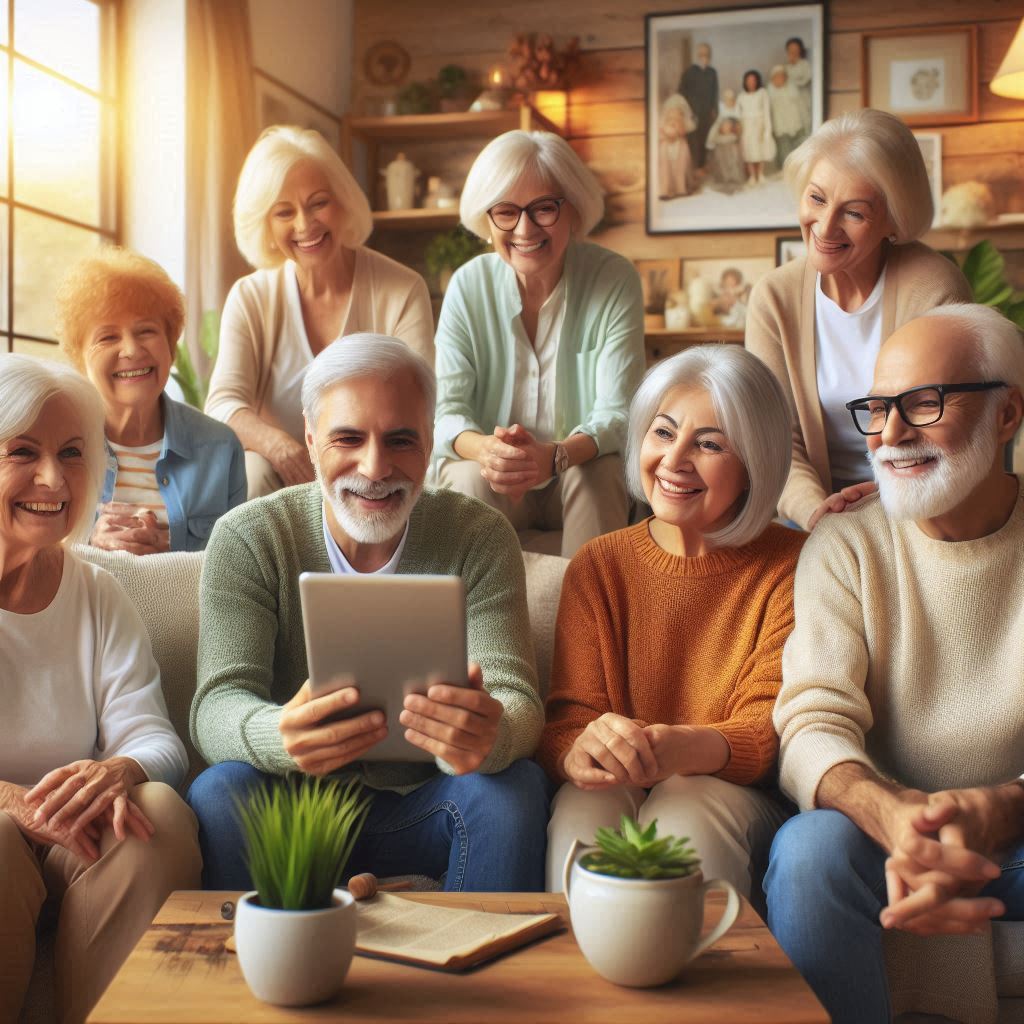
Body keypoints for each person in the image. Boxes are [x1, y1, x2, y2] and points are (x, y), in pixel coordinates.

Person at [188, 335, 548, 892]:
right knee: (218, 791)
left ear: (430, 444)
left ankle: (479, 977)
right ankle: (265, 970)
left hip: (426, 805)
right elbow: (217, 704)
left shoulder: (479, 536)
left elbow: (516, 698)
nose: (375, 467)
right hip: (297, 800)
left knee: (513, 789)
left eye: (400, 439)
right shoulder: (250, 537)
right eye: (347, 438)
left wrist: (487, 736)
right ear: (311, 442)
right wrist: (278, 735)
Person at [765, 305, 1024, 1024]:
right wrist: (892, 812)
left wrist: (1003, 807)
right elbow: (811, 718)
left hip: (1019, 836)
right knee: (810, 850)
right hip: (880, 837)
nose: (890, 435)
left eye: (923, 404)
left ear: (1007, 415)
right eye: (876, 408)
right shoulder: (846, 545)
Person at [539, 345, 805, 901]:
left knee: (686, 809)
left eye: (708, 444)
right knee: (585, 808)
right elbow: (567, 720)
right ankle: (579, 986)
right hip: (621, 781)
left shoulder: (795, 563)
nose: (674, 459)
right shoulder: (601, 564)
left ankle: (702, 987)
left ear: (754, 462)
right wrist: (580, 746)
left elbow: (767, 729)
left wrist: (682, 747)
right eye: (663, 433)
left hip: (732, 788)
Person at [0, 354, 200, 1024]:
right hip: (8, 835)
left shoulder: (97, 592)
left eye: (72, 453)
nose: (53, 479)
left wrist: (117, 769)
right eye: (23, 452)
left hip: (75, 847)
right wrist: (19, 803)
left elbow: (153, 736)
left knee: (159, 816)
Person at [746, 108, 971, 529]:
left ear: (893, 221)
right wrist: (818, 511)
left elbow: (943, 429)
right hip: (809, 513)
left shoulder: (935, 288)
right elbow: (772, 440)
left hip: (919, 504)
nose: (825, 227)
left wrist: (880, 513)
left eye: (854, 212)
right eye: (816, 198)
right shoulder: (773, 299)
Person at [434, 130, 645, 558]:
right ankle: (478, 619)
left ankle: (588, 619)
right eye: (506, 212)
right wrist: (489, 451)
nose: (525, 229)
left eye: (544, 208)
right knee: (468, 478)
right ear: (487, 218)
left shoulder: (614, 278)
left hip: (577, 468)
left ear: (573, 209)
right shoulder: (467, 286)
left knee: (598, 471)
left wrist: (556, 456)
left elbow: (621, 412)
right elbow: (445, 412)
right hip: (495, 478)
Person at [205, 126, 434, 498]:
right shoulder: (251, 296)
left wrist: (355, 456)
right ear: (265, 223)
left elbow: (422, 400)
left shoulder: (402, 288)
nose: (304, 225)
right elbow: (222, 403)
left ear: (343, 202)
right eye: (283, 212)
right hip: (283, 477)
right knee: (252, 467)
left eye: (318, 203)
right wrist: (280, 446)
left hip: (375, 468)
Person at [55, 247, 245, 554]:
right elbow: (29, 557)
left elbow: (236, 567)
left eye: (146, 331)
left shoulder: (221, 447)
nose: (130, 350)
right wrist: (88, 543)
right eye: (108, 337)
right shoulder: (56, 446)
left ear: (170, 346)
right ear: (80, 358)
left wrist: (170, 549)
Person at [678, 42, 718, 171]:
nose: (704, 57)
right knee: (693, 140)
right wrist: (686, 111)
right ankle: (693, 167)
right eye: (701, 54)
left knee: (705, 139)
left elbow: (714, 92)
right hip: (692, 112)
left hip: (706, 112)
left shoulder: (712, 72)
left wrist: (714, 109)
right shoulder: (690, 72)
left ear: (709, 55)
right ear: (697, 55)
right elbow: (681, 92)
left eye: (706, 54)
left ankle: (702, 166)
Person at [737, 70, 775, 187]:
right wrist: (739, 128)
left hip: (759, 124)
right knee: (748, 150)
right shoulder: (741, 96)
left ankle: (760, 174)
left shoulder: (762, 93)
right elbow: (738, 113)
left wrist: (767, 129)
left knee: (760, 149)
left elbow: (766, 112)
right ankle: (752, 176)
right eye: (748, 81)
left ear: (757, 81)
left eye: (753, 80)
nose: (751, 83)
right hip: (746, 125)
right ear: (745, 82)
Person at [657, 95, 696, 199]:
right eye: (671, 114)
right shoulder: (663, 123)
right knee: (665, 166)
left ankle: (680, 188)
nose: (674, 118)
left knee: (680, 166)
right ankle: (665, 190)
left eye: (678, 114)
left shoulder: (682, 123)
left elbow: (682, 132)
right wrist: (666, 136)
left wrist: (678, 130)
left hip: (679, 145)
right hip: (666, 146)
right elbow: (660, 134)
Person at [767, 65, 803, 170]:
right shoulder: (770, 90)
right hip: (779, 123)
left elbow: (798, 105)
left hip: (793, 121)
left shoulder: (791, 88)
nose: (780, 79)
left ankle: (796, 167)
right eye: (777, 77)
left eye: (782, 76)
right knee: (783, 147)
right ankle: (784, 168)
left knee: (796, 146)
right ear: (772, 78)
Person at [785, 37, 812, 143]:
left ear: (800, 50)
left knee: (805, 122)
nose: (793, 52)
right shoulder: (786, 67)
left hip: (803, 98)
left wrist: (793, 82)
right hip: (791, 102)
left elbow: (806, 80)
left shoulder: (804, 64)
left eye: (796, 49)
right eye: (791, 50)